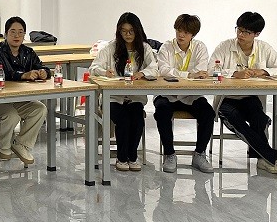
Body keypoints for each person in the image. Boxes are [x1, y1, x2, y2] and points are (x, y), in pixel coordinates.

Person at [210, 12, 277, 177]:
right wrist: (234, 73)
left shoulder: (264, 48)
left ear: (256, 34)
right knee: (236, 119)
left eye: (246, 32)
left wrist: (263, 71)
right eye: (239, 30)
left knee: (260, 118)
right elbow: (210, 70)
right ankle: (272, 156)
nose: (240, 35)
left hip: (251, 98)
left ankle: (263, 159)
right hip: (227, 99)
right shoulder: (224, 46)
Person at [90, 12, 158, 172]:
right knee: (123, 120)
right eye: (124, 31)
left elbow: (154, 69)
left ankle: (132, 157)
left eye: (131, 31)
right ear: (119, 31)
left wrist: (142, 73)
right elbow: (93, 68)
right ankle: (122, 158)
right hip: (112, 97)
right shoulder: (110, 48)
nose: (127, 35)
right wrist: (104, 72)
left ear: (138, 30)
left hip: (134, 97)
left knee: (137, 120)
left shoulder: (145, 48)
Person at [0, 16, 49, 165]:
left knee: (39, 109)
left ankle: (21, 144)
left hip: (18, 99)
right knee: (11, 115)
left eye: (20, 32)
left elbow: (42, 66)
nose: (17, 36)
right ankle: (3, 146)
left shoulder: (28, 52)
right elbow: (1, 74)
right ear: (6, 34)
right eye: (13, 32)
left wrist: (44, 72)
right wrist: (23, 75)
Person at [154, 14, 215, 174]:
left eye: (186, 32)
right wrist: (189, 75)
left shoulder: (200, 47)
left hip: (191, 94)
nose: (181, 35)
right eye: (178, 30)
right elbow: (163, 71)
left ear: (193, 35)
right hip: (167, 94)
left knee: (208, 113)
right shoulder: (166, 47)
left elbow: (201, 71)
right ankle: (169, 154)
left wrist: (181, 74)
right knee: (161, 111)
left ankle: (200, 154)